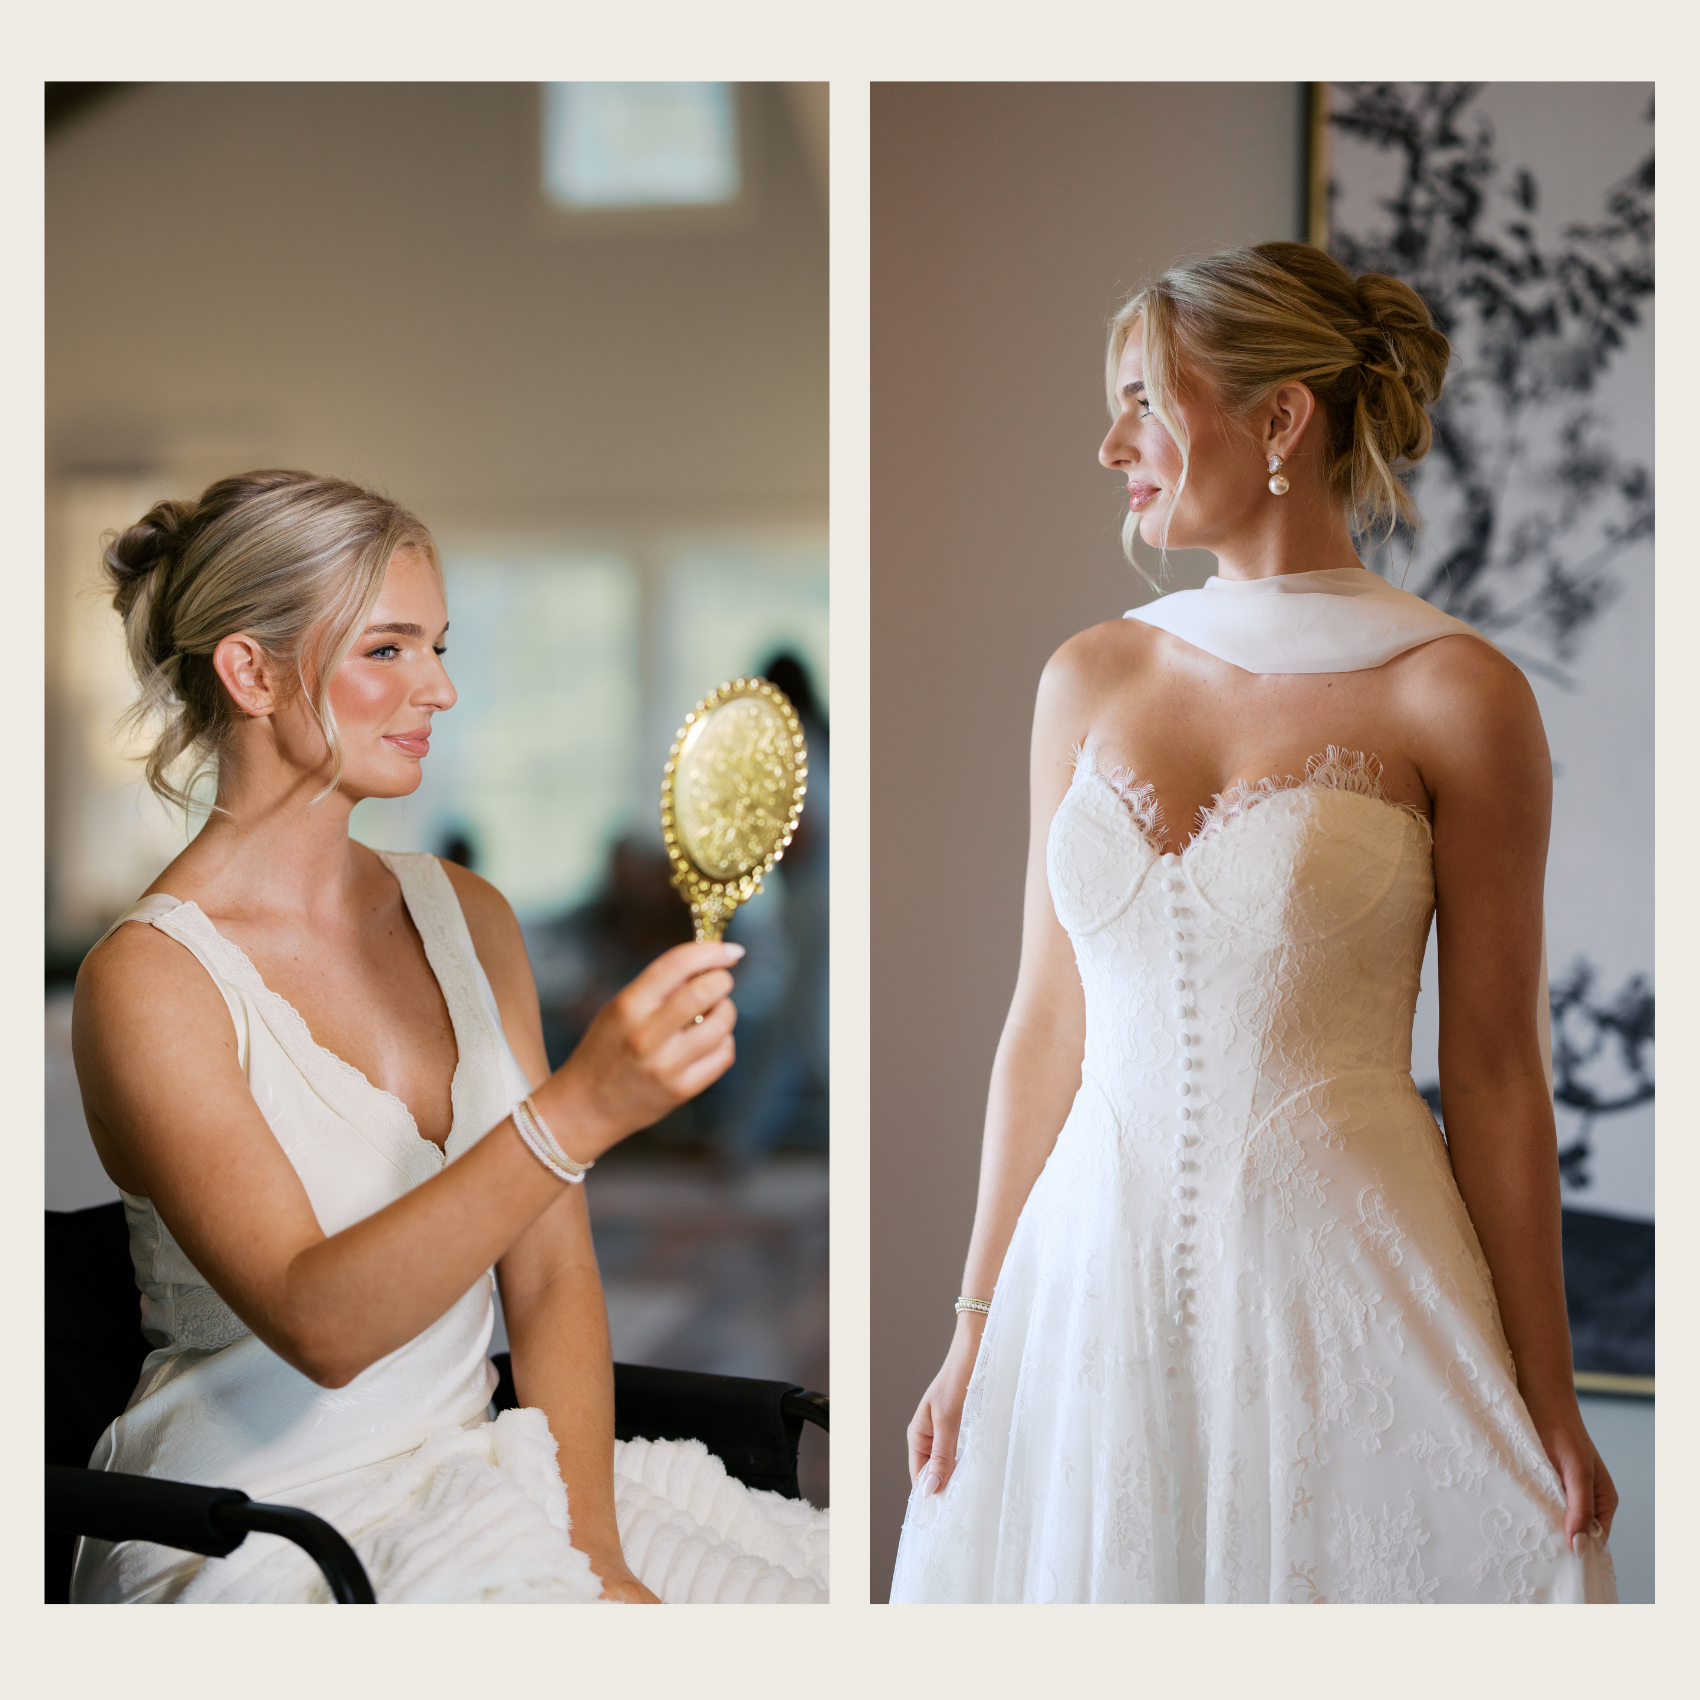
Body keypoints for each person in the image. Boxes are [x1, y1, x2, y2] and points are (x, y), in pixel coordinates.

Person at [890, 243, 1618, 1604]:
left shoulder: (1456, 697)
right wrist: (972, 1325)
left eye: (1147, 404)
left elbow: (1501, 1074)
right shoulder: (1087, 676)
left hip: (1341, 1292)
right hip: (1084, 1294)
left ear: (1280, 420)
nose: (1113, 445)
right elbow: (1046, 1025)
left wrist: (1549, 1394)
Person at [69, 470, 826, 1604]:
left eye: (439, 645)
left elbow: (556, 1271)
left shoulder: (470, 915)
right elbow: (320, 1322)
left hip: (486, 1478)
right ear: (251, 670)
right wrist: (580, 1106)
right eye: (388, 650)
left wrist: (595, 1554)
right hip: (263, 1528)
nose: (441, 687)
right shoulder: (149, 980)